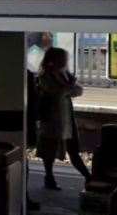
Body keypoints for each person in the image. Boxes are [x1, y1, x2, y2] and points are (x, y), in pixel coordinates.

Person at [33, 45, 89, 188]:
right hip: (52, 119)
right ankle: (49, 178)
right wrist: (68, 88)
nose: (66, 60)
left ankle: (88, 176)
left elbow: (77, 90)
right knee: (49, 151)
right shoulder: (45, 75)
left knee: (72, 148)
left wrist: (67, 88)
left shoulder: (63, 74)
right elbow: (59, 92)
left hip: (65, 117)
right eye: (64, 58)